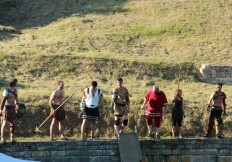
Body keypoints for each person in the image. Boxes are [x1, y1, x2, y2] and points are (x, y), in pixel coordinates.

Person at [0, 78, 19, 143]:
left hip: (12, 108)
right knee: (4, 123)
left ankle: (12, 138)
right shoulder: (6, 90)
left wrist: (17, 105)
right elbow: (3, 101)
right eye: (16, 82)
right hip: (6, 108)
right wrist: (0, 109)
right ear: (14, 83)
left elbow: (16, 99)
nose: (17, 84)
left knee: (12, 123)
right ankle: (2, 138)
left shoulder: (16, 90)